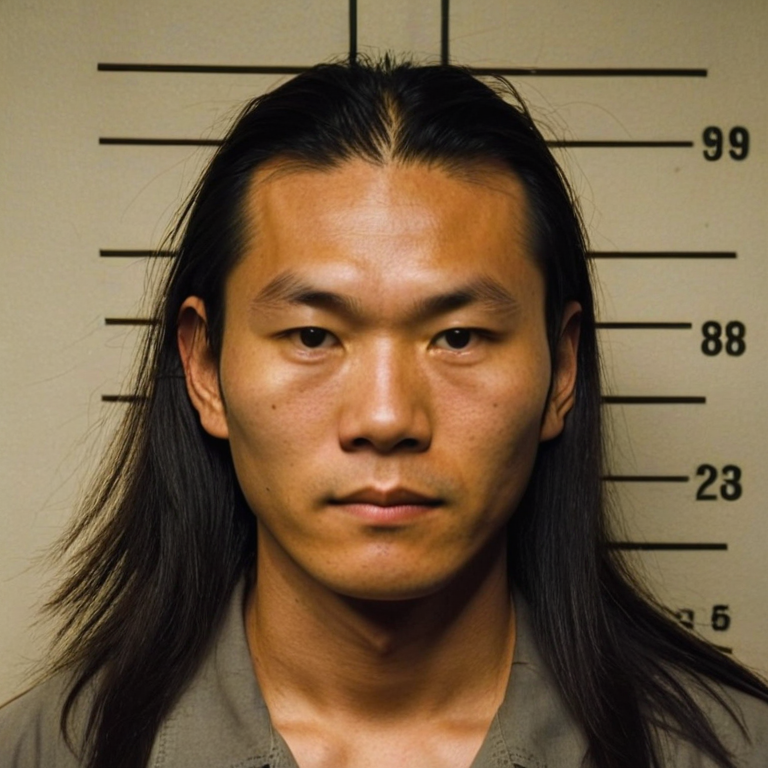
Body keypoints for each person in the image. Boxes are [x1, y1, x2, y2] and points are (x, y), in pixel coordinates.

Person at [1, 56, 767, 768]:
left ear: (561, 369)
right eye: (312, 335)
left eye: (459, 337)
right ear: (204, 368)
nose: (386, 416)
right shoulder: (45, 750)